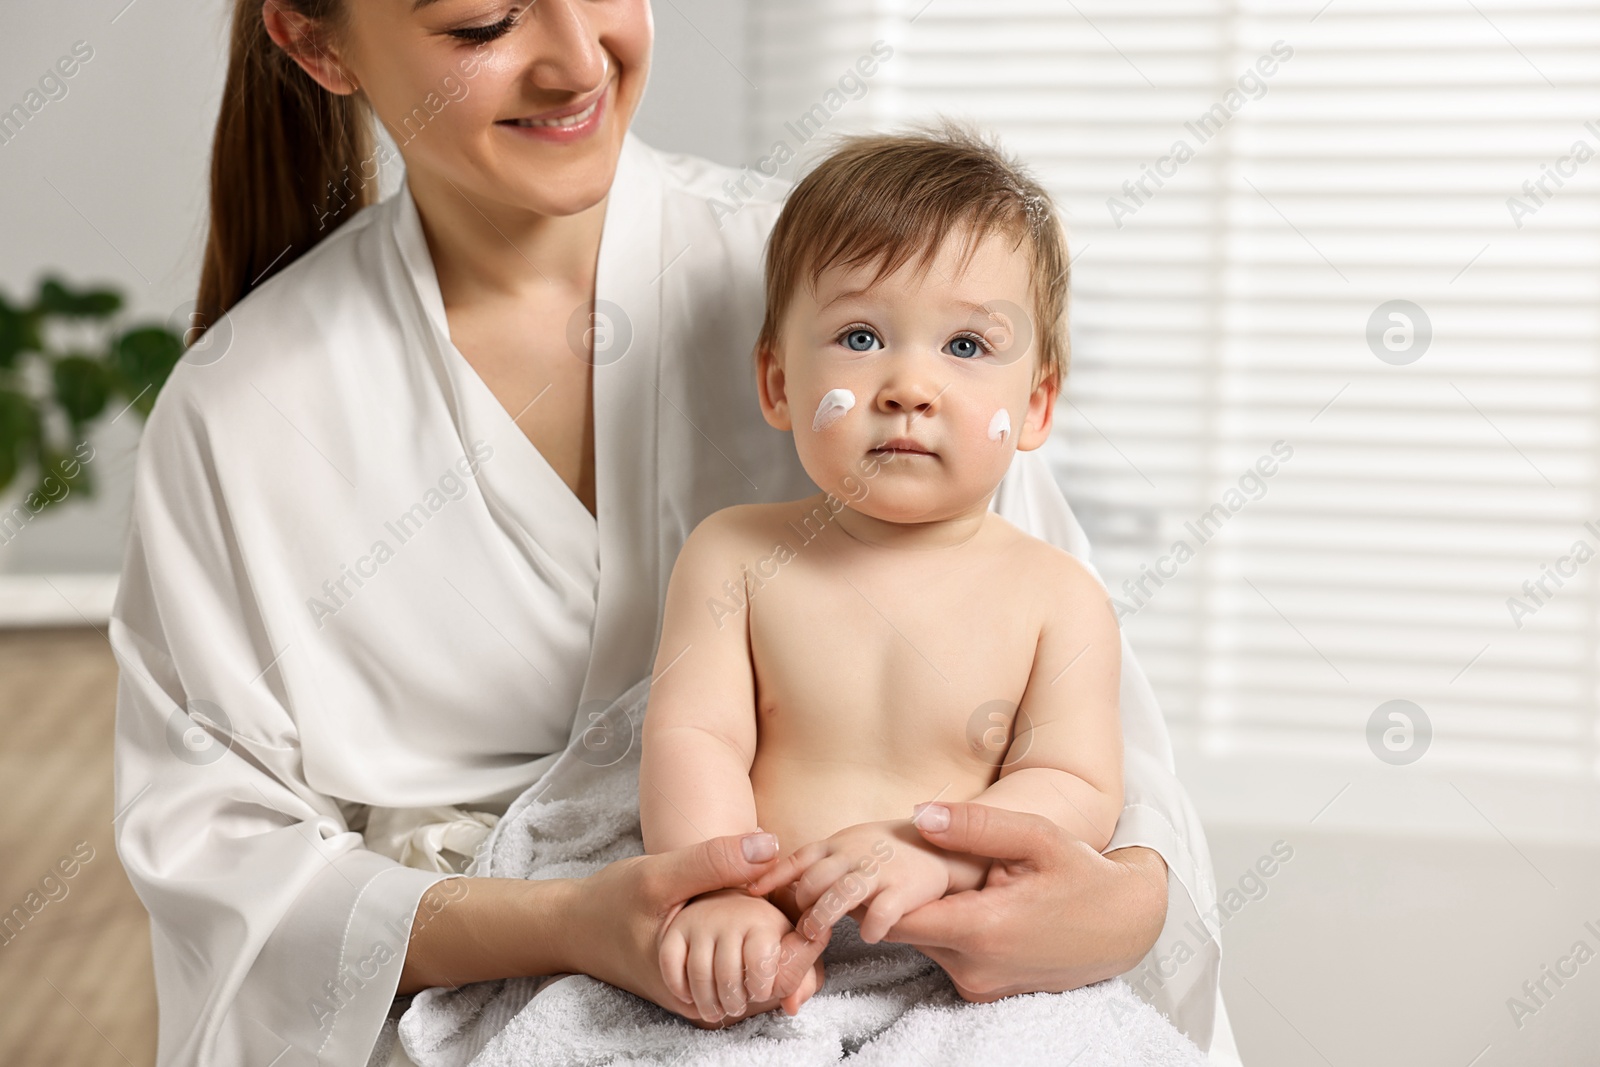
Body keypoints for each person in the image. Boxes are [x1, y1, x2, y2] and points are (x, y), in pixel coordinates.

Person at [106, 1, 1241, 1064]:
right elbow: (223, 858)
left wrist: (1098, 905)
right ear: (318, 44)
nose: (576, 62)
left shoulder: (859, 278)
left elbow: (1100, 768)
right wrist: (570, 924)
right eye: (484, 23)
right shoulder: (245, 409)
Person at [639, 128, 1126, 1023]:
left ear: (1037, 406)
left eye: (968, 347)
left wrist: (935, 852)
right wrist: (721, 891)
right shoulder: (736, 554)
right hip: (772, 935)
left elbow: (1077, 783)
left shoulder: (1058, 595)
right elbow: (693, 741)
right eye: (861, 335)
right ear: (778, 382)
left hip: (961, 960)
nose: (908, 384)